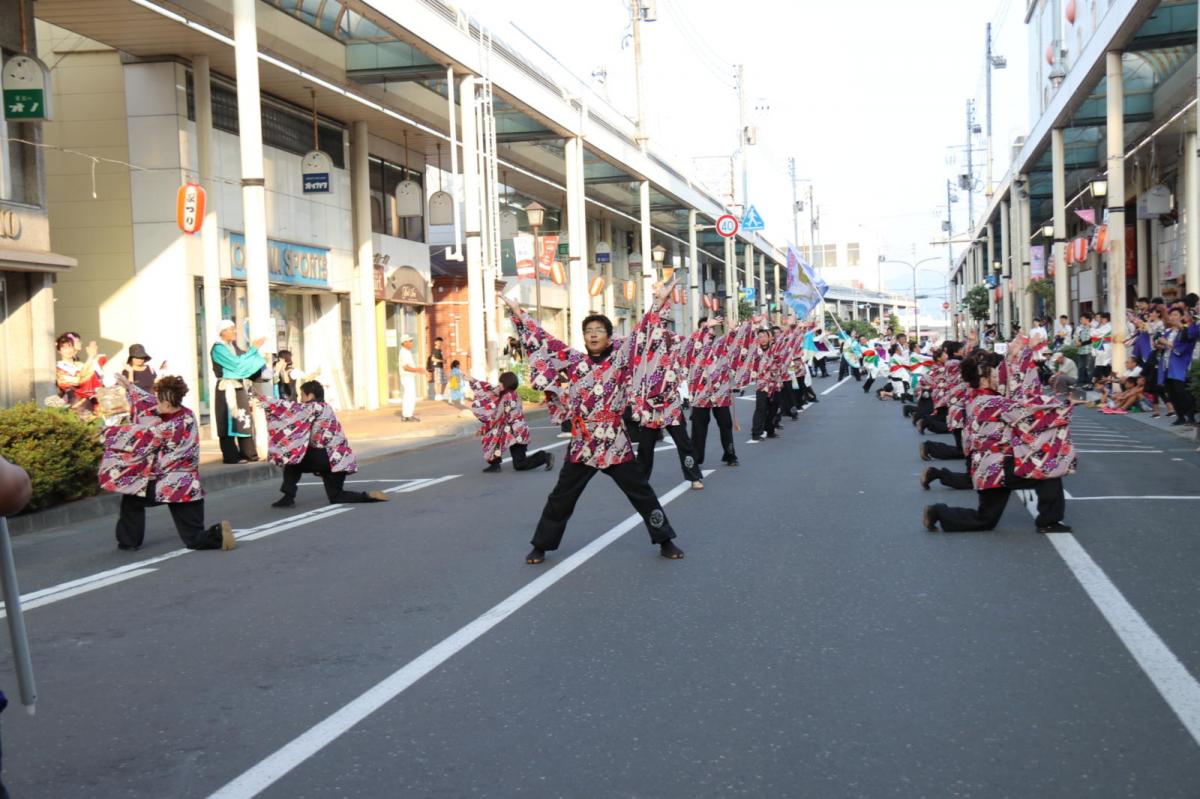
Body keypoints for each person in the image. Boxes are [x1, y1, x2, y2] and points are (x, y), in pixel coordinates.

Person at [504, 283, 684, 564]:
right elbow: (543, 339)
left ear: (610, 337)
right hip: (583, 442)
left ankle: (665, 540)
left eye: (599, 330)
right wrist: (517, 313)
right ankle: (541, 545)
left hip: (615, 441)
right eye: (588, 332)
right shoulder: (573, 361)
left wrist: (659, 302)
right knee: (561, 497)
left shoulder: (620, 359)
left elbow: (644, 333)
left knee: (641, 493)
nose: (593, 335)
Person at [922, 344, 1077, 534]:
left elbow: (1015, 388)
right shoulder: (995, 402)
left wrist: (1015, 354)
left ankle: (938, 512)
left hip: (985, 467)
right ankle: (1048, 521)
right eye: (994, 375)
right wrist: (1067, 406)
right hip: (1000, 465)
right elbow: (1032, 416)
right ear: (983, 379)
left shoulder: (973, 396)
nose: (999, 377)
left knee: (985, 519)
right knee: (1047, 474)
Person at [99, 375, 236, 551]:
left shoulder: (167, 428)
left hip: (166, 483)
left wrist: (105, 433)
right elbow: (147, 402)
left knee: (132, 499)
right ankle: (217, 534)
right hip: (187, 485)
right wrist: (131, 387)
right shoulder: (187, 414)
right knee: (193, 537)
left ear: (168, 404)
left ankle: (128, 542)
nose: (155, 405)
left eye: (159, 402)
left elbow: (139, 437)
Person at [255, 381, 388, 507]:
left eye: (302, 395)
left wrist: (265, 400)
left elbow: (290, 409)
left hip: (326, 457)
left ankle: (288, 497)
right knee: (336, 496)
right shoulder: (326, 407)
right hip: (340, 459)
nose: (300, 399)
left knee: (292, 460)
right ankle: (367, 496)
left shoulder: (314, 407)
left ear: (310, 395)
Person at [629, 318, 705, 489]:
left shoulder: (672, 340)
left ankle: (694, 477)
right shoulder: (641, 347)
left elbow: (691, 343)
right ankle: (641, 482)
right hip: (650, 405)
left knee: (684, 443)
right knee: (645, 448)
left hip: (670, 403)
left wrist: (704, 328)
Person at [470, 372, 556, 473]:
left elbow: (498, 417)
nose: (499, 385)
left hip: (516, 433)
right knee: (494, 436)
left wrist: (483, 429)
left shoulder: (507, 397)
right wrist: (472, 380)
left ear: (506, 384)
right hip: (516, 430)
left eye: (501, 383)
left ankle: (545, 457)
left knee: (519, 464)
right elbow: (490, 388)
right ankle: (495, 464)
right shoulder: (512, 394)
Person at [210, 320, 266, 464]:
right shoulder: (218, 348)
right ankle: (231, 456)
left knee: (244, 420)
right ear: (222, 332)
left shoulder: (233, 347)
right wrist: (253, 350)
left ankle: (249, 454)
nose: (234, 331)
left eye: (234, 328)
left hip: (238, 387)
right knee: (227, 422)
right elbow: (238, 364)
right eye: (231, 329)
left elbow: (244, 361)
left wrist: (254, 353)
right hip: (226, 387)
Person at [1156, 306, 1199, 426]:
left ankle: (1190, 417)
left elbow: (1185, 347)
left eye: (1175, 315)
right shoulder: (1169, 331)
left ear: (1182, 317)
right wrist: (1159, 344)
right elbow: (1163, 345)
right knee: (1172, 393)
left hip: (1179, 366)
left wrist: (1167, 343)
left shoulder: (1186, 330)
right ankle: (1180, 416)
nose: (1172, 317)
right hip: (1166, 365)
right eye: (1171, 315)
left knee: (1183, 393)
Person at [398, 334, 423, 422]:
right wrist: (417, 370)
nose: (411, 343)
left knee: (409, 395)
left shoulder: (406, 352)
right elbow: (405, 367)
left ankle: (407, 415)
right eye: (409, 341)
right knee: (410, 396)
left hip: (408, 377)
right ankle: (408, 415)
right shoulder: (404, 352)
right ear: (404, 342)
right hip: (407, 376)